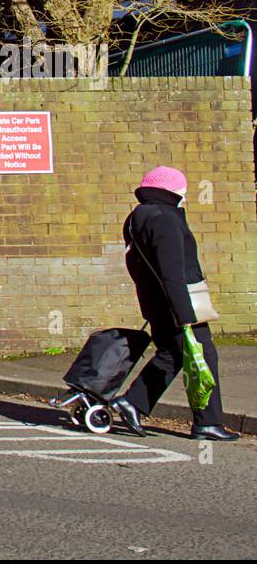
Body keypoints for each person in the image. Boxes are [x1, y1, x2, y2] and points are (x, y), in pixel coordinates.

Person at [112, 166, 238, 441]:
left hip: (155, 302)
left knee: (172, 354)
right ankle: (207, 423)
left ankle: (133, 402)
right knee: (203, 355)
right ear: (173, 191)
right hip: (177, 305)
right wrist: (184, 314)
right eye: (183, 190)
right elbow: (172, 272)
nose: (185, 196)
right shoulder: (165, 219)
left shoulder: (137, 217)